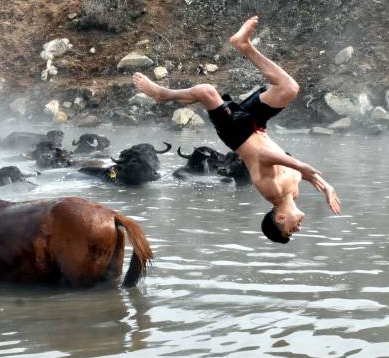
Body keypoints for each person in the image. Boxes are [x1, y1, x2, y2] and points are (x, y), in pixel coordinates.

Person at [133, 16, 340, 244]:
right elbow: (305, 173)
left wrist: (301, 166)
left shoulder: (272, 192)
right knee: (289, 88)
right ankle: (244, 45)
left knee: (206, 91)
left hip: (236, 134)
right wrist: (325, 186)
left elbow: (264, 156)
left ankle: (164, 95)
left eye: (290, 230)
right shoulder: (293, 192)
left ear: (280, 218)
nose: (297, 230)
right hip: (257, 126)